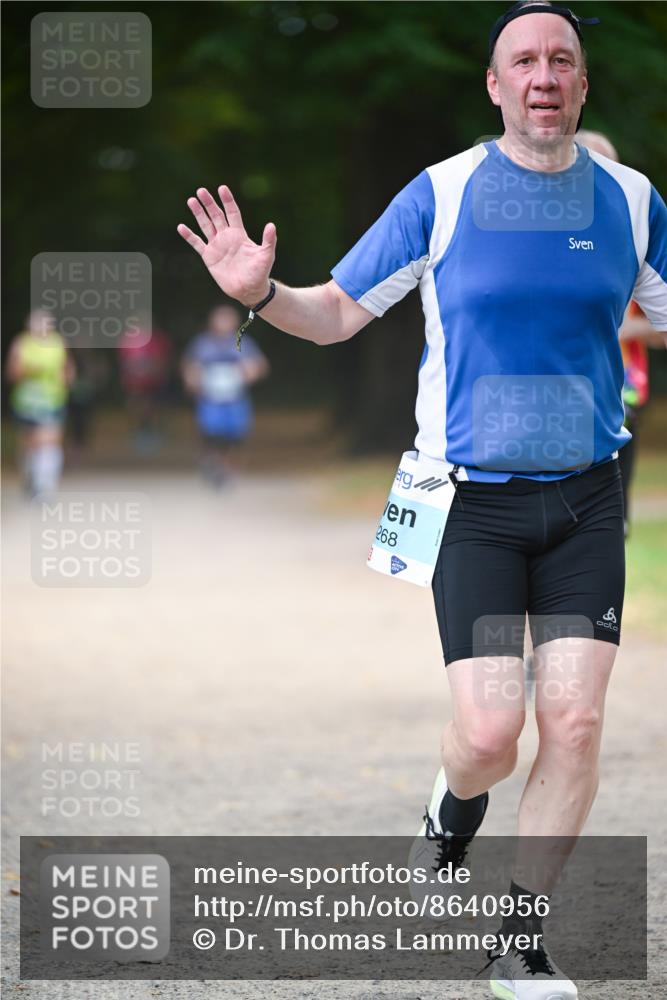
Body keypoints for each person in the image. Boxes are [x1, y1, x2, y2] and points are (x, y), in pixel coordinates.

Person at [178, 3, 667, 996]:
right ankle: (452, 804)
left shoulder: (630, 200)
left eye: (560, 60)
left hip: (586, 497)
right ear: (494, 86)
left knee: (570, 723)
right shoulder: (440, 195)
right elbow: (337, 312)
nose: (542, 74)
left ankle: (520, 941)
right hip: (469, 504)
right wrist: (264, 294)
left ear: (580, 86)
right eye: (522, 59)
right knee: (490, 734)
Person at [577, 129, 666, 537]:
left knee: (608, 518)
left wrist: (619, 327)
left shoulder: (634, 235)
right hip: (548, 392)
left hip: (621, 390)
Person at [181, 304, 269, 485]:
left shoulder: (244, 342)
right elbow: (189, 366)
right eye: (220, 319)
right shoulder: (202, 344)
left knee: (235, 436)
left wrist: (250, 371)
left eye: (228, 319)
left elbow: (259, 365)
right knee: (211, 433)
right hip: (210, 398)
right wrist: (191, 379)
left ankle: (230, 468)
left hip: (235, 397)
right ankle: (212, 463)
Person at [5, 309, 73, 496]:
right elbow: (11, 373)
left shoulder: (58, 343)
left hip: (52, 400)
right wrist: (28, 370)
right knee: (30, 444)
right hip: (27, 402)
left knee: (49, 441)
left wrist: (65, 380)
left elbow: (68, 369)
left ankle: (46, 485)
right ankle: (30, 476)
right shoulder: (21, 344)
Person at [118, 320, 172, 454]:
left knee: (155, 406)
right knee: (137, 405)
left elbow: (162, 359)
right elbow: (124, 360)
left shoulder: (157, 339)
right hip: (134, 382)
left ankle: (155, 432)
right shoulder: (128, 340)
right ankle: (138, 431)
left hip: (154, 381)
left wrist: (152, 371)